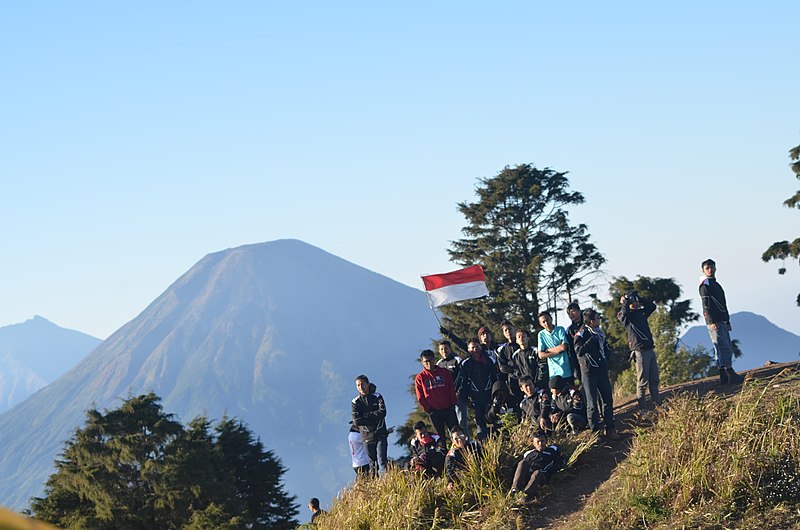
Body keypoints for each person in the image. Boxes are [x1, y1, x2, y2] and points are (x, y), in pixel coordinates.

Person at [574, 309, 619, 440]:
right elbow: (579, 351)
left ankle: (610, 429)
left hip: (602, 370)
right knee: (592, 403)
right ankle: (595, 432)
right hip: (589, 373)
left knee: (607, 400)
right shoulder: (581, 333)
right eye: (598, 317)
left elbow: (604, 347)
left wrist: (608, 352)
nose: (600, 319)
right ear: (592, 321)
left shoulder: (600, 332)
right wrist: (590, 342)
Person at [699, 259, 743, 384]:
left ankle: (724, 374)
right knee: (722, 347)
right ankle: (728, 372)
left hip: (722, 321)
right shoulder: (705, 286)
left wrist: (727, 320)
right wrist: (711, 321)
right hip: (714, 322)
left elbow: (723, 304)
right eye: (707, 268)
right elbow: (706, 305)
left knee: (725, 346)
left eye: (712, 267)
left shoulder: (716, 285)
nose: (710, 270)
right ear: (703, 270)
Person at [617, 291, 662, 410]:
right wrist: (625, 302)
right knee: (642, 382)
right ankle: (643, 409)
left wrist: (640, 299)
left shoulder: (641, 312)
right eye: (634, 301)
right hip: (639, 351)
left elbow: (652, 306)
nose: (637, 303)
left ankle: (658, 405)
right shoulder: (626, 316)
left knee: (654, 380)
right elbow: (624, 315)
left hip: (650, 349)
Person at [454, 339, 497, 441]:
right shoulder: (466, 364)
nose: (475, 350)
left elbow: (496, 378)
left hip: (490, 398)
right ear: (468, 350)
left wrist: (497, 395)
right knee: (480, 428)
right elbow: (462, 383)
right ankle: (483, 447)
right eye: (472, 348)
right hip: (476, 400)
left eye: (477, 347)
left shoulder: (489, 360)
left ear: (480, 347)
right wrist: (465, 399)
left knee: (495, 423)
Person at [414, 349, 459, 438]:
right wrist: (429, 409)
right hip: (434, 411)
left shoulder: (444, 372)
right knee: (440, 436)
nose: (429, 363)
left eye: (430, 360)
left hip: (448, 408)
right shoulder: (420, 378)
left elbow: (451, 388)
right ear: (422, 362)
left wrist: (453, 403)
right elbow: (420, 396)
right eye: (426, 361)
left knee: (456, 433)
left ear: (434, 359)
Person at [351, 374, 389, 476]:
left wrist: (366, 415)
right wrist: (374, 418)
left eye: (362, 384)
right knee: (373, 464)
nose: (361, 387)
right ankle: (375, 488)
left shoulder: (377, 396)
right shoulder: (355, 402)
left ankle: (389, 482)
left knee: (383, 459)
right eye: (358, 385)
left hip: (381, 433)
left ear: (368, 384)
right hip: (367, 436)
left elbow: (383, 412)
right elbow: (357, 421)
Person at [510, 431, 562, 499]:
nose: (540, 443)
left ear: (546, 441)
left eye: (542, 441)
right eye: (538, 442)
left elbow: (559, 461)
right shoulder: (528, 453)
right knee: (522, 462)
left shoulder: (552, 450)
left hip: (542, 476)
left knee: (537, 473)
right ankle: (515, 489)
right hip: (529, 476)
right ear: (533, 443)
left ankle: (526, 495)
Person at [437, 341, 470, 435]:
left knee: (462, 421)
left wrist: (459, 392)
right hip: (446, 399)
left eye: (446, 348)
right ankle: (455, 444)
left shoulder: (457, 360)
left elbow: (463, 377)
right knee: (450, 423)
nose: (444, 351)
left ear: (450, 349)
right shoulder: (439, 364)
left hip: (458, 396)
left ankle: (466, 442)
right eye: (442, 349)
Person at [537, 311, 574, 383]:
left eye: (547, 320)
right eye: (543, 322)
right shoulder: (541, 334)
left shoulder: (560, 329)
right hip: (553, 372)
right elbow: (541, 355)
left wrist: (548, 350)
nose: (546, 323)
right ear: (540, 324)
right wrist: (558, 349)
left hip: (566, 370)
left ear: (551, 319)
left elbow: (564, 347)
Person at [564, 301, 584, 384]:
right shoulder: (569, 330)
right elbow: (570, 350)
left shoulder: (588, 324)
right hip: (578, 362)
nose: (571, 314)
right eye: (569, 313)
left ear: (579, 311)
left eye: (573, 311)